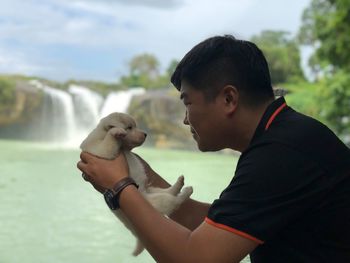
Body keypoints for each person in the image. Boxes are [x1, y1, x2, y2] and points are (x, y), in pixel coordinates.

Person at [77, 35, 350, 263]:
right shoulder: (282, 136)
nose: (185, 119)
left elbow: (195, 258)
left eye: (187, 102)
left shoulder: (281, 154)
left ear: (229, 98)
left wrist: (119, 187)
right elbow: (219, 227)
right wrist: (140, 176)